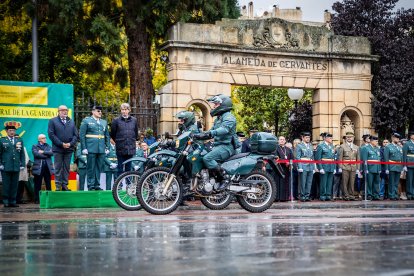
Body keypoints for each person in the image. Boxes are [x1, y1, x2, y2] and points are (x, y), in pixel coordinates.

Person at [193, 94, 238, 191]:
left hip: (227, 146)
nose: (213, 106)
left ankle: (224, 178)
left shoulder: (229, 117)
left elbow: (224, 129)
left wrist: (210, 133)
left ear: (223, 105)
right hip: (218, 146)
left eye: (216, 104)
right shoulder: (218, 119)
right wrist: (198, 135)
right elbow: (210, 131)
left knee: (207, 158)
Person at [79, 105, 110, 191]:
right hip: (90, 147)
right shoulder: (86, 121)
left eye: (100, 111)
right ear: (93, 112)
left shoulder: (104, 122)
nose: (100, 112)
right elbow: (82, 135)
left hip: (101, 148)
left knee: (98, 167)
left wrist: (107, 147)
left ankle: (97, 185)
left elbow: (106, 135)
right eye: (98, 111)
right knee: (91, 167)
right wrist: (84, 148)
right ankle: (91, 185)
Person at [48, 105, 78, 191]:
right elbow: (51, 135)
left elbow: (76, 135)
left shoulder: (71, 121)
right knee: (58, 167)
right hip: (58, 149)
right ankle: (58, 186)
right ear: (59, 111)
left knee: (66, 167)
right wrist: (61, 144)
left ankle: (65, 185)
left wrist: (70, 143)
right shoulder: (53, 121)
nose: (65, 112)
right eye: (63, 110)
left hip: (69, 149)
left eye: (66, 110)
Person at [0, 124, 25, 207]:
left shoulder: (19, 140)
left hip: (16, 166)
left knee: (15, 184)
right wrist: (0, 164)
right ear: (6, 132)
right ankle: (6, 201)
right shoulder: (2, 140)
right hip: (6, 166)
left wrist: (22, 164)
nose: (12, 132)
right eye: (10, 131)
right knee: (6, 184)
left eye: (13, 131)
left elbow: (22, 153)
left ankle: (13, 201)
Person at [110, 103, 138, 177]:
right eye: (122, 109)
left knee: (129, 168)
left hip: (130, 147)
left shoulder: (134, 120)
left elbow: (135, 133)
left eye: (125, 109)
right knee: (120, 168)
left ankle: (129, 185)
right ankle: (119, 185)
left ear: (129, 110)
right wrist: (119, 141)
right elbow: (112, 134)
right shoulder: (116, 120)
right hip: (120, 147)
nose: (124, 111)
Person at [32, 134, 54, 204]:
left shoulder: (48, 146)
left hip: (47, 168)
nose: (45, 139)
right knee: (37, 184)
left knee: (48, 184)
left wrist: (43, 152)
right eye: (43, 138)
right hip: (39, 168)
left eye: (45, 138)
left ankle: (49, 199)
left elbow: (52, 153)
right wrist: (46, 155)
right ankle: (37, 200)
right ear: (39, 139)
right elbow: (36, 154)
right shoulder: (35, 146)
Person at [338, 132, 360, 201]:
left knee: (352, 182)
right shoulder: (342, 146)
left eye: (351, 137)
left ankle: (351, 195)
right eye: (348, 137)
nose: (349, 138)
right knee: (345, 182)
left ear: (353, 138)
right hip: (345, 166)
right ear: (346, 138)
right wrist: (340, 167)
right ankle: (346, 195)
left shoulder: (356, 147)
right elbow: (340, 158)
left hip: (353, 166)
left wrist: (358, 168)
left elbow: (358, 158)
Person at [315, 133, 335, 201]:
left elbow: (333, 158)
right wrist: (320, 168)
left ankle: (328, 195)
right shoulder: (320, 146)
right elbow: (318, 158)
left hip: (331, 166)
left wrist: (334, 167)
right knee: (323, 182)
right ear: (325, 138)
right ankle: (322, 195)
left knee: (330, 182)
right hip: (324, 166)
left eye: (331, 138)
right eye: (330, 138)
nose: (331, 139)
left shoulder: (332, 146)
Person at [360, 136, 381, 200]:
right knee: (369, 183)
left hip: (376, 168)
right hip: (370, 168)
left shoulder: (377, 148)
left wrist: (379, 168)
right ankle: (369, 195)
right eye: (376, 141)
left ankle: (376, 195)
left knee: (376, 183)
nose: (377, 142)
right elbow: (364, 160)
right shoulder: (365, 148)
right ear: (371, 141)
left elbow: (378, 159)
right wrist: (365, 169)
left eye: (377, 141)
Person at [296, 132, 314, 201]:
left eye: (309, 137)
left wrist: (314, 167)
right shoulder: (299, 146)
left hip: (310, 166)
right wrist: (299, 166)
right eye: (306, 137)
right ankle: (302, 195)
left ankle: (307, 195)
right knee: (302, 182)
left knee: (309, 182)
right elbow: (298, 157)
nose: (308, 139)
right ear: (302, 138)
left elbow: (312, 157)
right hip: (303, 165)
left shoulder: (310, 146)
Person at [384, 133, 403, 200]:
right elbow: (386, 158)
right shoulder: (388, 147)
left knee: (396, 182)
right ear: (392, 138)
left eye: (398, 138)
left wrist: (402, 167)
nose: (398, 139)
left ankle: (395, 194)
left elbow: (401, 157)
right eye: (396, 138)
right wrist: (386, 168)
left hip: (398, 166)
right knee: (391, 182)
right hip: (391, 166)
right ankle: (391, 195)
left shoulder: (399, 147)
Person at [275, 136, 293, 201]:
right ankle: (277, 198)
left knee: (285, 183)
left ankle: (284, 198)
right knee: (278, 183)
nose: (282, 141)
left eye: (283, 139)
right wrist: (285, 162)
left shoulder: (288, 149)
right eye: (280, 139)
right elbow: (276, 158)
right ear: (278, 141)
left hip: (286, 169)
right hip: (278, 168)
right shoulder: (276, 148)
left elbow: (292, 158)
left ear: (285, 141)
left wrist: (290, 163)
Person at [403, 131, 414, 200]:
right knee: (409, 180)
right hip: (409, 164)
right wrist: (404, 165)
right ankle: (409, 194)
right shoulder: (407, 144)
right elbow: (404, 155)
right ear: (411, 136)